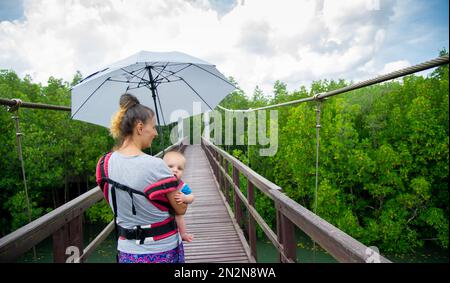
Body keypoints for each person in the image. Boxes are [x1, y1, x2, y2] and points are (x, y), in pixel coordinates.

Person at [96, 93, 187, 263]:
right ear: (139, 127)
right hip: (162, 250)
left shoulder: (103, 164)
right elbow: (180, 210)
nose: (156, 133)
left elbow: (117, 204)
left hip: (127, 251)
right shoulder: (157, 166)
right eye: (153, 127)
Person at [163, 151, 194, 242]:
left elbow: (192, 196)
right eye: (170, 166)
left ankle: (183, 234)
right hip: (162, 213)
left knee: (179, 216)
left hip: (175, 210)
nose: (175, 170)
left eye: (179, 168)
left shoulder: (181, 185)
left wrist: (185, 198)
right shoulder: (158, 181)